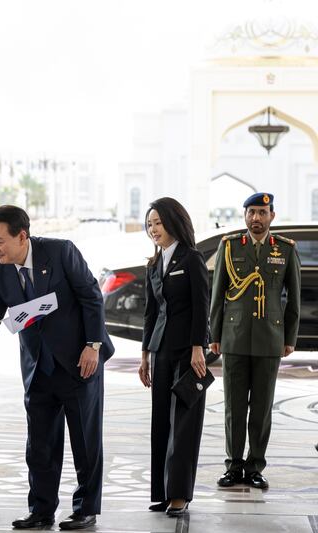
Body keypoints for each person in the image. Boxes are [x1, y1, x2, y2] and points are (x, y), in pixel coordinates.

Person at [0, 205, 114, 530]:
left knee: (85, 442)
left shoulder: (61, 251)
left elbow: (92, 296)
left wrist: (93, 345)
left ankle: (85, 509)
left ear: (22, 236)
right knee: (40, 445)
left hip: (79, 362)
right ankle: (41, 510)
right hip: (38, 368)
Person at [210, 192, 301, 490]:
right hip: (234, 338)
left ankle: (256, 466)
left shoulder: (285, 249)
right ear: (244, 215)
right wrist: (215, 335)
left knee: (262, 408)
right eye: (251, 212)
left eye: (262, 212)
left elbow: (294, 300)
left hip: (269, 339)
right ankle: (234, 466)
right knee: (234, 408)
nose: (256, 218)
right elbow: (218, 295)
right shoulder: (230, 246)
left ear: (272, 216)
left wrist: (289, 338)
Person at [139, 198, 209, 517]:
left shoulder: (191, 258)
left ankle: (179, 494)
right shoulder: (154, 264)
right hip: (161, 351)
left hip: (186, 352)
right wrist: (144, 355)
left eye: (158, 222)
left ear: (173, 221)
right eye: (150, 224)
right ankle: (162, 492)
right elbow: (150, 312)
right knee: (161, 421)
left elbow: (201, 306)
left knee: (183, 423)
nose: (154, 229)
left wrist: (198, 347)